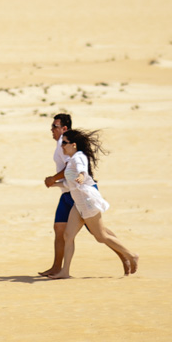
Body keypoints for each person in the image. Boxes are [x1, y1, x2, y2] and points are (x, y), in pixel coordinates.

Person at [39, 114, 127, 276]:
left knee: (98, 232)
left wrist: (53, 178)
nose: (51, 130)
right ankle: (58, 268)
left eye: (54, 126)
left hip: (77, 195)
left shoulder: (64, 143)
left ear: (64, 128)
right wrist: (57, 183)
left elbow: (72, 167)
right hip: (67, 192)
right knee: (60, 229)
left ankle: (124, 255)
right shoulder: (63, 143)